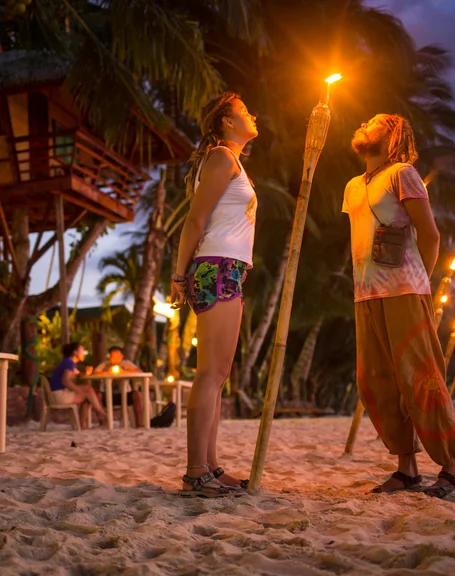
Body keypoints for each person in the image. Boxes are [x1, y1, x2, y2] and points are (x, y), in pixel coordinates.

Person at [343, 113, 455, 499]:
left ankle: (450, 467)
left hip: (405, 291)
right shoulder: (351, 187)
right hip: (366, 292)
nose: (365, 123)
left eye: (375, 122)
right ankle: (406, 469)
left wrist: (421, 283)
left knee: (421, 375)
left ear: (392, 136)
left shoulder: (402, 173)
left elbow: (430, 234)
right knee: (377, 381)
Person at [171, 92, 258, 498]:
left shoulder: (232, 161)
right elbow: (195, 219)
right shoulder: (223, 157)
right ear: (226, 121)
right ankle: (194, 473)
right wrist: (177, 275)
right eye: (243, 111)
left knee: (218, 377)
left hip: (227, 268)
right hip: (217, 267)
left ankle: (208, 466)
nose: (251, 115)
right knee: (210, 375)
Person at [49, 342, 106, 429]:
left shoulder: (68, 362)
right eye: (82, 351)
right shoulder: (69, 363)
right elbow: (65, 381)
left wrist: (85, 373)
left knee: (88, 395)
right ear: (75, 352)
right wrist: (79, 391)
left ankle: (83, 425)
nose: (83, 353)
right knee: (88, 390)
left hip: (55, 395)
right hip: (60, 395)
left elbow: (78, 374)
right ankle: (102, 414)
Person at [93, 346, 143, 428]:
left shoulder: (126, 363)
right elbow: (95, 372)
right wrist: (107, 372)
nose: (115, 358)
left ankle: (138, 423)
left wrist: (123, 372)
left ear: (121, 356)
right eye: (112, 356)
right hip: (107, 394)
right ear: (109, 357)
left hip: (125, 394)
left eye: (117, 356)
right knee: (97, 395)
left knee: (137, 395)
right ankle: (102, 423)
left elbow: (139, 371)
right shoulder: (105, 364)